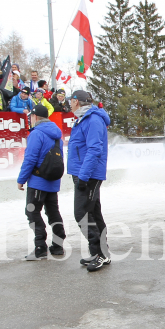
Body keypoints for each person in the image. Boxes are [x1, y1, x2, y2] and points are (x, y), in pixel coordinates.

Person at [66, 89, 112, 272]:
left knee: (82, 214)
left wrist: (83, 177)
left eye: (71, 100)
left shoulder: (92, 119)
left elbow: (94, 150)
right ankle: (102, 253)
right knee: (93, 213)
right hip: (84, 173)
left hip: (89, 174)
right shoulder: (83, 118)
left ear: (77, 101)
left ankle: (99, 254)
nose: (69, 104)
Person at [18, 102, 67, 261]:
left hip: (38, 181)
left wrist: (21, 179)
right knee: (53, 212)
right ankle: (58, 245)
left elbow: (30, 158)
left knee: (31, 211)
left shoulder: (36, 133)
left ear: (35, 117)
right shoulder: (56, 134)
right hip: (53, 181)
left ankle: (40, 247)